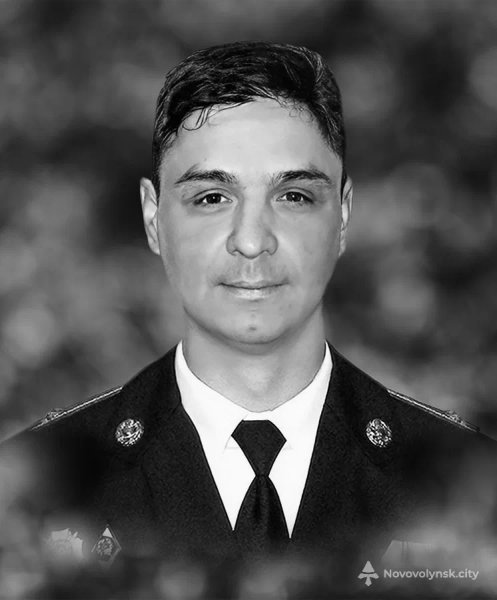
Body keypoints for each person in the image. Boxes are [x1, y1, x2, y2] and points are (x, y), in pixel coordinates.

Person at [1, 41, 496, 598]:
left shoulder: (475, 488)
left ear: (343, 215)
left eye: (295, 196)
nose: (252, 240)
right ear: (153, 219)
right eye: (212, 197)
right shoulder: (29, 498)